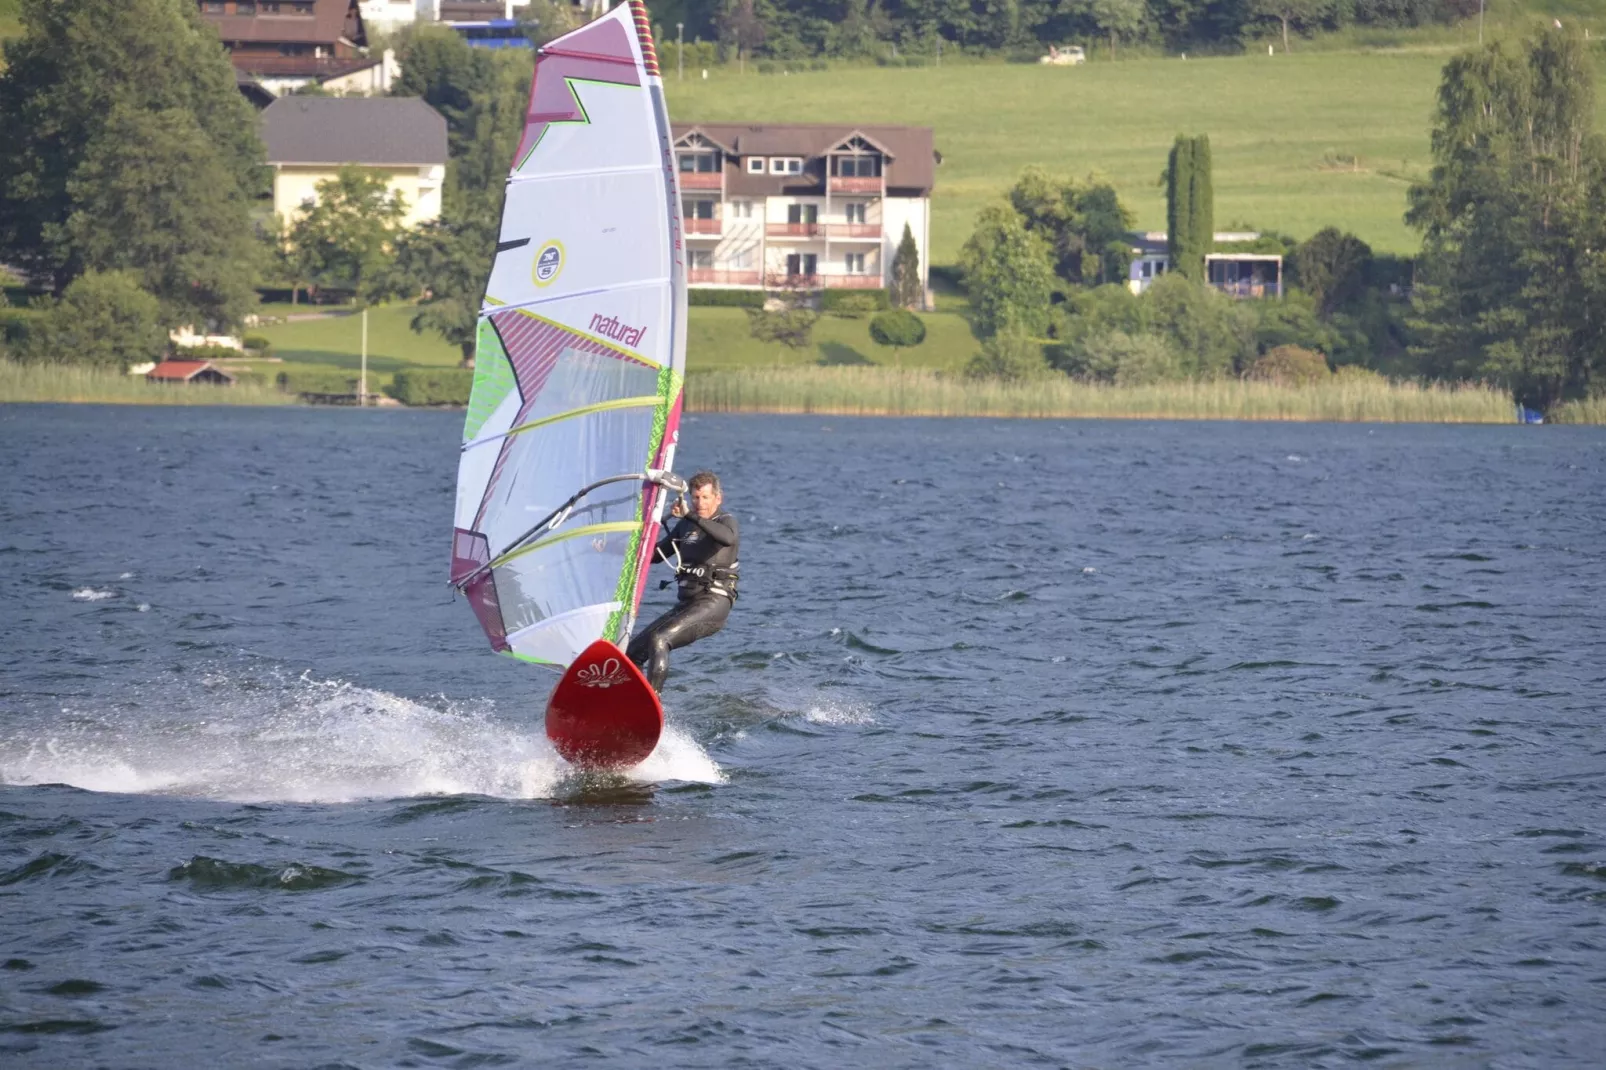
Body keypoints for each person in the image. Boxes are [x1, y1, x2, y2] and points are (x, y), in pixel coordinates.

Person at [627, 470, 739, 692]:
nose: (700, 503)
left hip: (714, 602)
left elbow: (727, 538)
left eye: (705, 497)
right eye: (696, 497)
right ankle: (628, 701)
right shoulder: (686, 526)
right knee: (632, 653)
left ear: (718, 498)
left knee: (660, 639)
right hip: (687, 604)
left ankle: (654, 700)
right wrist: (613, 549)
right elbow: (655, 556)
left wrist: (690, 515)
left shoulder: (726, 522)